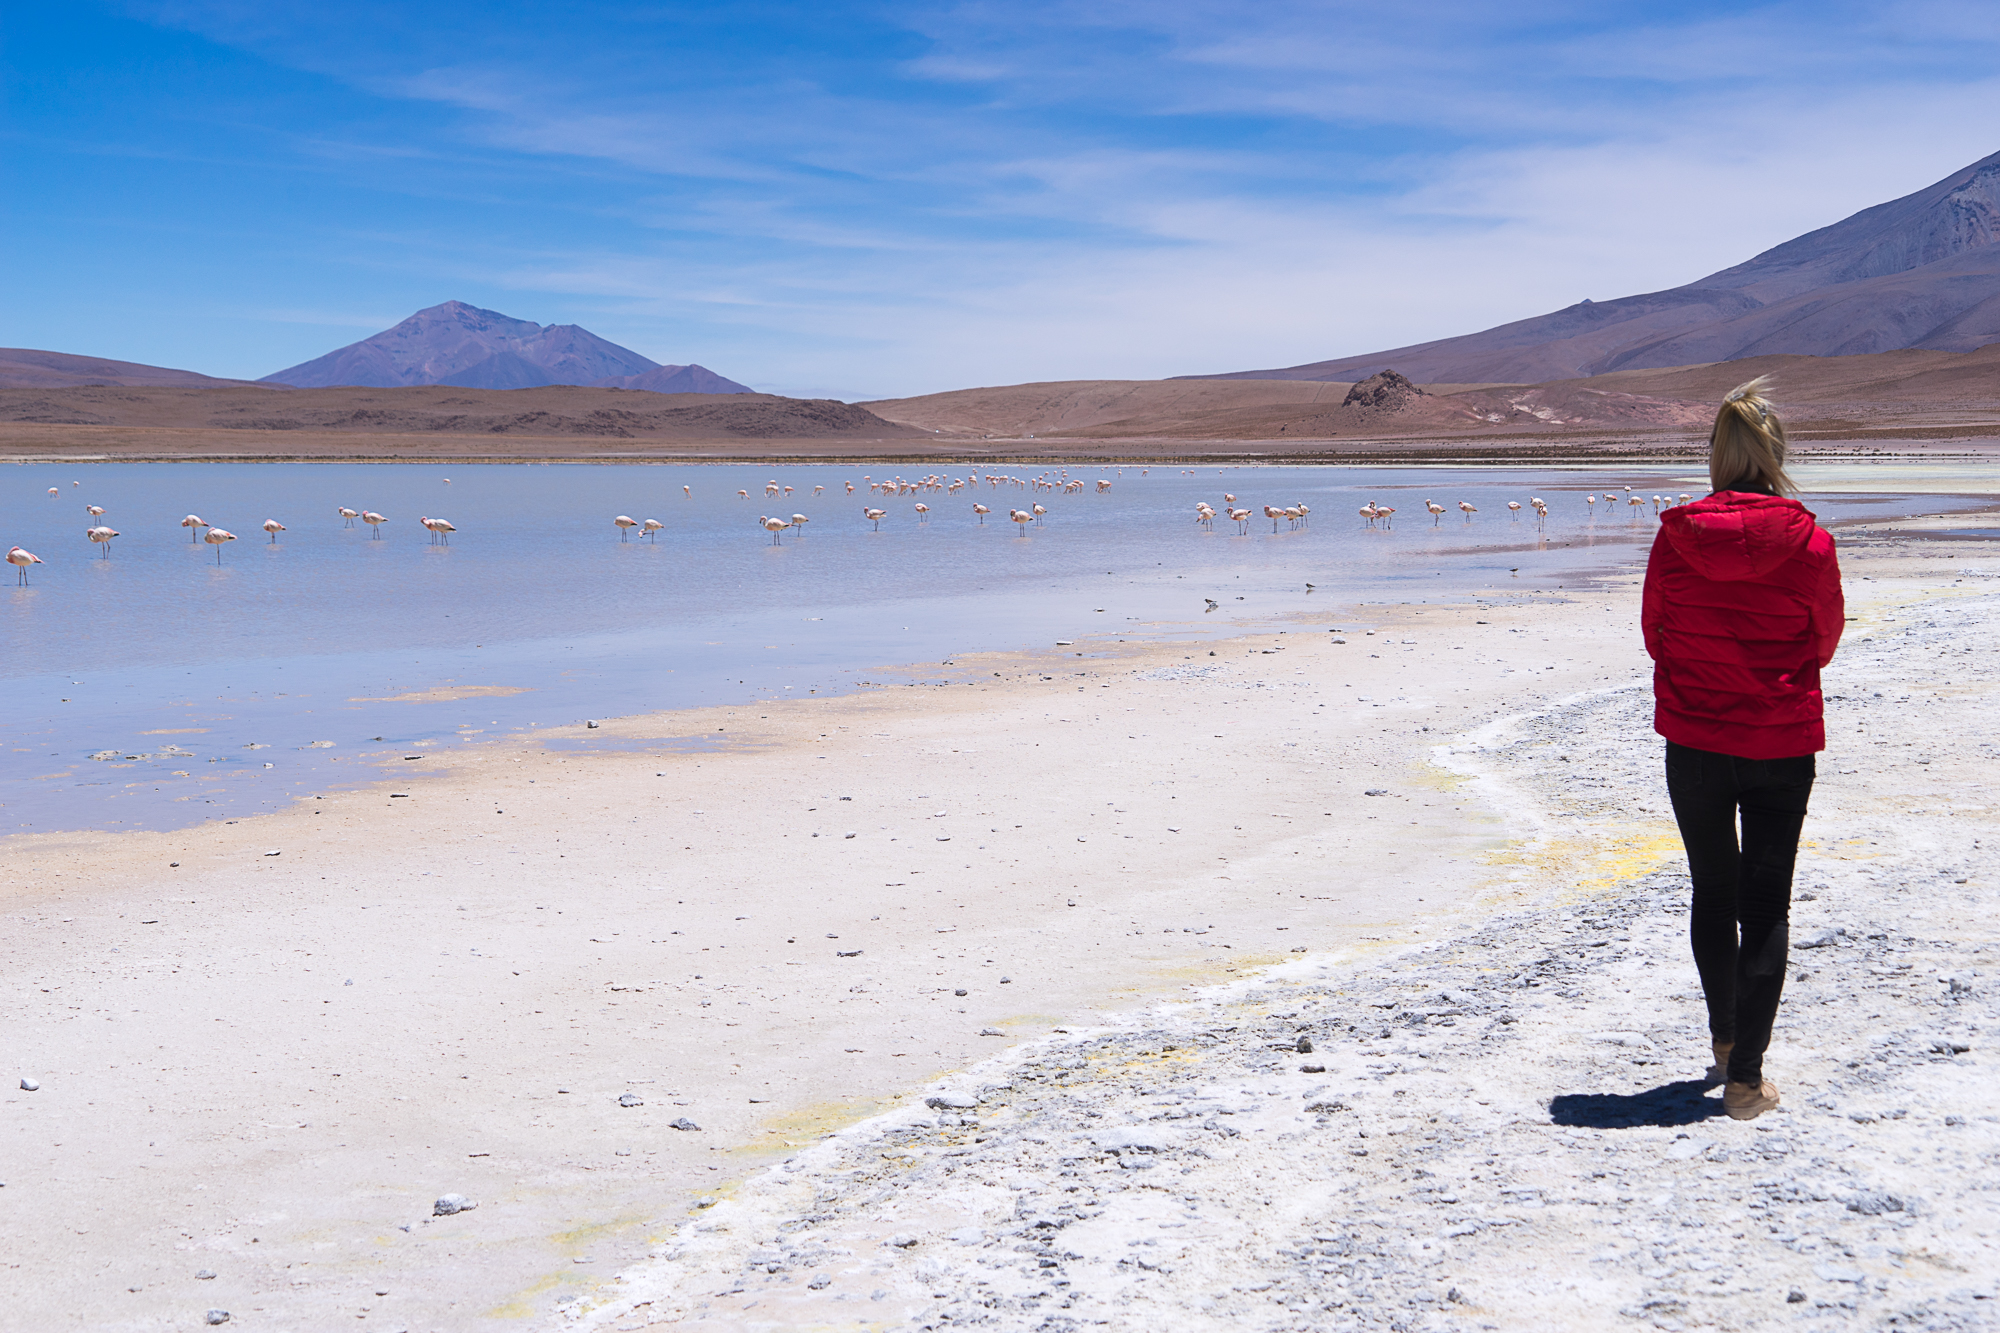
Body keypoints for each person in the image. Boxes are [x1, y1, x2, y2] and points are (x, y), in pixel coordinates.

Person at [1641, 377, 1844, 1121]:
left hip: (1694, 740)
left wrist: (1701, 680)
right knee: (1764, 906)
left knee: (1712, 891)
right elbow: (1823, 636)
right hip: (1779, 739)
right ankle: (1746, 1081)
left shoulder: (1676, 536)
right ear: (1775, 454)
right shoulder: (1811, 541)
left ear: (1718, 456)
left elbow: (1655, 633)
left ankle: (1727, 1040)